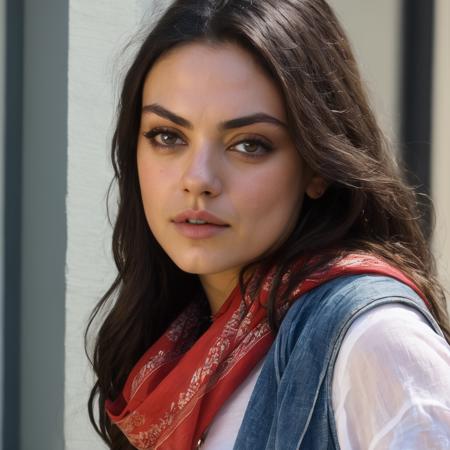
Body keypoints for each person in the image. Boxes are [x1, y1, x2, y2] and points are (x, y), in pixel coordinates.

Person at [85, 1, 450, 449]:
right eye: (168, 136)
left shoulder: (375, 338)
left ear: (317, 168)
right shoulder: (173, 344)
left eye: (249, 145)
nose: (197, 179)